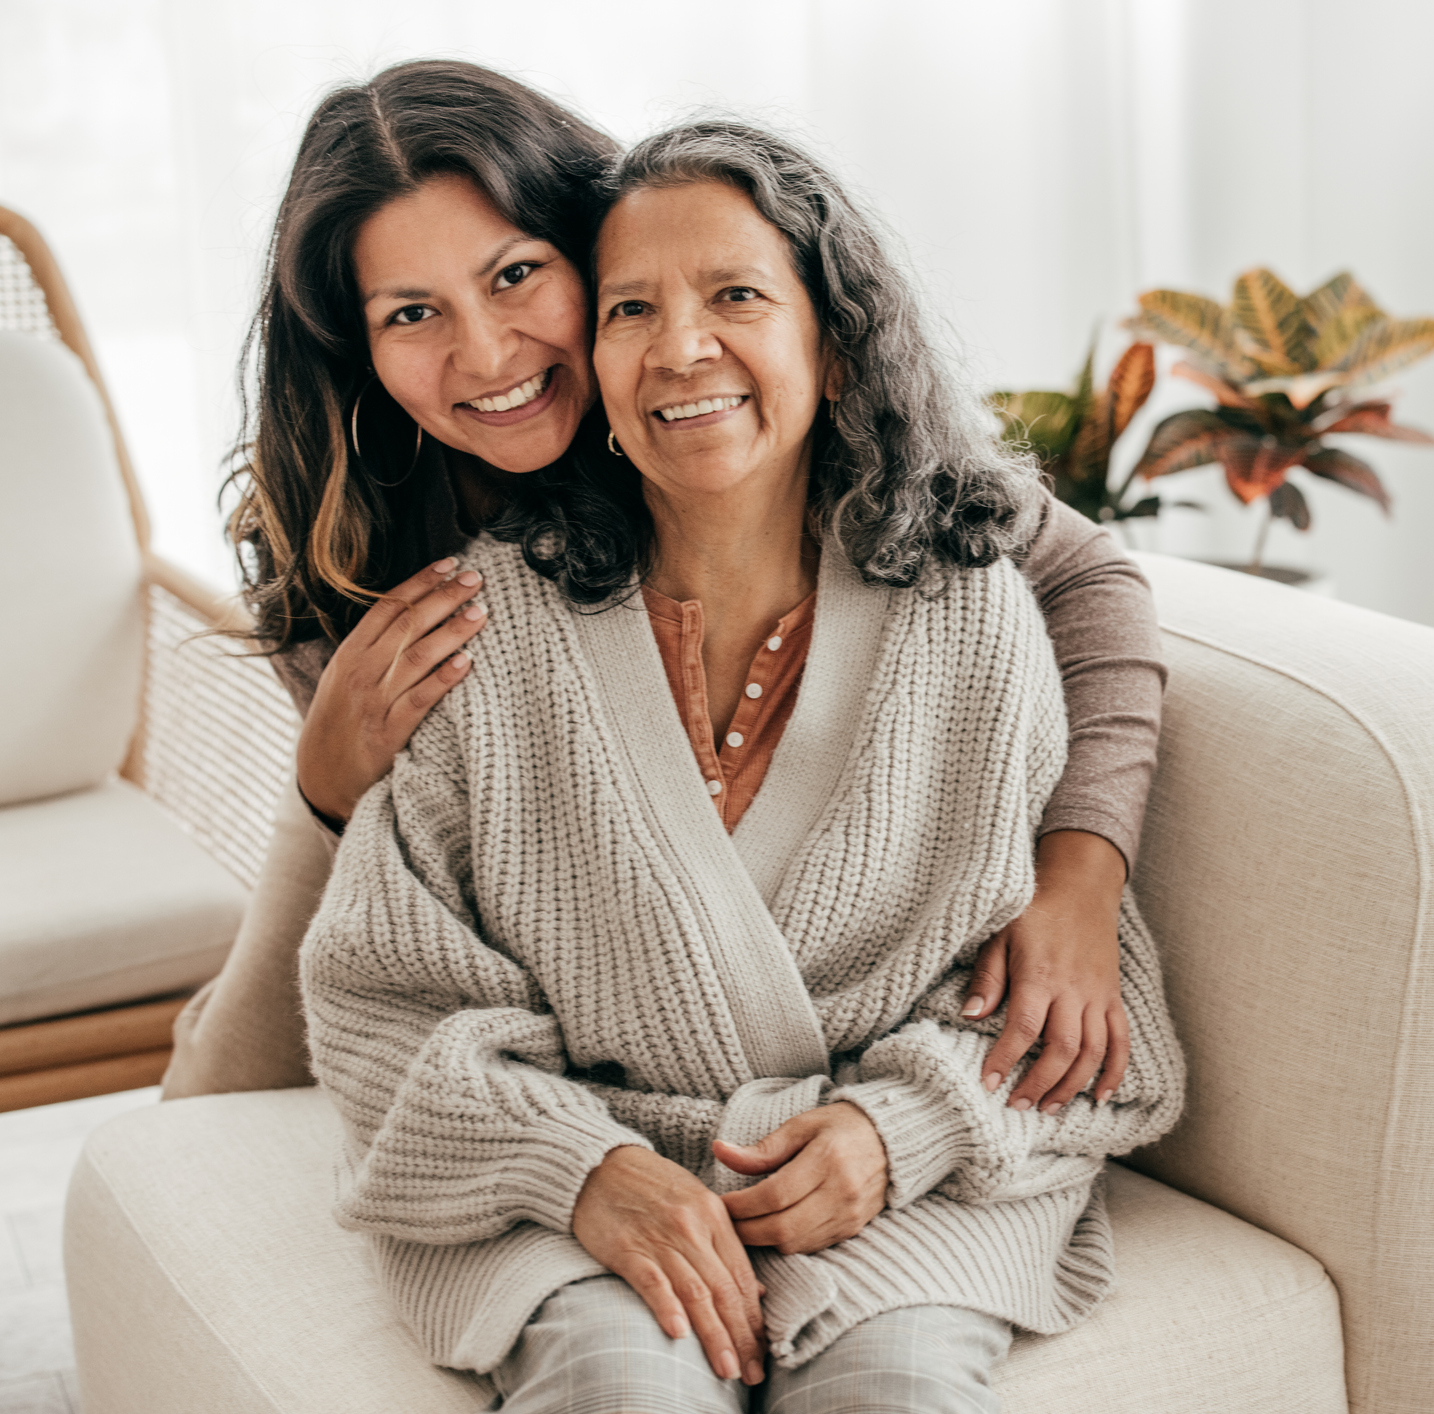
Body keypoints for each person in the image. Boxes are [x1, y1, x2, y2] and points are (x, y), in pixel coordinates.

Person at [299, 117, 1184, 1413]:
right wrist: (577, 1168)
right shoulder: (476, 631)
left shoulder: (969, 612)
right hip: (580, 1184)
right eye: (631, 308)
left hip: (897, 1182)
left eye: (737, 296)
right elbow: (379, 1000)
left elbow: (1082, 1029)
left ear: (836, 344)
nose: (681, 347)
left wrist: (904, 1128)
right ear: (594, 363)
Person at [163, 60, 1166, 1115]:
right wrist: (324, 789)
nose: (488, 350)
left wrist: (1079, 876)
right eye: (412, 313)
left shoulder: (724, 414)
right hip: (375, 854)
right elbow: (393, 937)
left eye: (515, 275)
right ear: (358, 349)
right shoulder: (350, 533)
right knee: (206, 1105)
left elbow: (1087, 579)